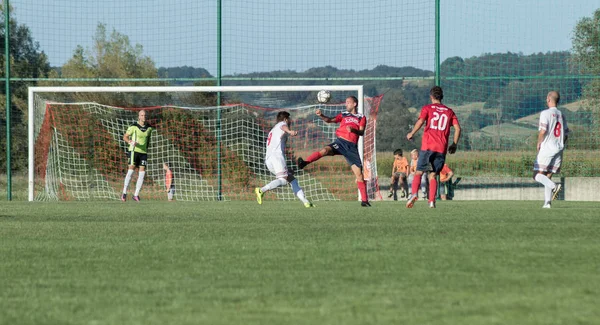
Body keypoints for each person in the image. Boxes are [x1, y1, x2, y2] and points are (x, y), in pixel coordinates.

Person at [297, 96, 371, 207]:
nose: (346, 104)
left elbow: (361, 132)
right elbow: (329, 120)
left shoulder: (361, 117)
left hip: (351, 148)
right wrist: (321, 115)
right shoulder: (343, 114)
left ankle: (365, 201)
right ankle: (304, 163)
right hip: (340, 142)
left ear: (355, 104)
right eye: (346, 102)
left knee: (359, 175)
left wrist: (353, 130)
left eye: (348, 102)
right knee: (325, 150)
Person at [406, 86, 461, 208]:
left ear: (431, 96)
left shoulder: (427, 108)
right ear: (442, 97)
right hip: (441, 148)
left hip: (428, 146)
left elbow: (420, 122)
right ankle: (431, 201)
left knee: (419, 172)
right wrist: (454, 144)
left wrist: (411, 133)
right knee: (433, 175)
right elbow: (458, 128)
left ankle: (414, 193)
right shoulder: (449, 111)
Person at [255, 111, 314, 208]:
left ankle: (306, 202)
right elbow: (283, 127)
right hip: (276, 157)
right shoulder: (282, 124)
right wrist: (290, 131)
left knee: (291, 179)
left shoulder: (273, 130)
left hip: (269, 159)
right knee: (283, 180)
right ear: (286, 119)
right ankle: (261, 190)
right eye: (289, 120)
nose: (290, 122)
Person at [533, 91, 568, 208]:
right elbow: (566, 134)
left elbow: (543, 130)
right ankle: (547, 203)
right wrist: (560, 144)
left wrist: (539, 142)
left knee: (536, 175)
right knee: (548, 175)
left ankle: (554, 187)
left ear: (548, 99)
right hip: (559, 148)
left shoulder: (545, 113)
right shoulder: (562, 115)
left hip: (548, 147)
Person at [121, 110, 153, 202]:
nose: (144, 117)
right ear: (139, 116)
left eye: (145, 115)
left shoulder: (149, 128)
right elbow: (125, 137)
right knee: (130, 171)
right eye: (142, 115)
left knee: (142, 173)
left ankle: (136, 195)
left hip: (143, 153)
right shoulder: (133, 126)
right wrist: (131, 142)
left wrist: (146, 149)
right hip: (134, 151)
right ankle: (124, 193)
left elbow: (148, 139)